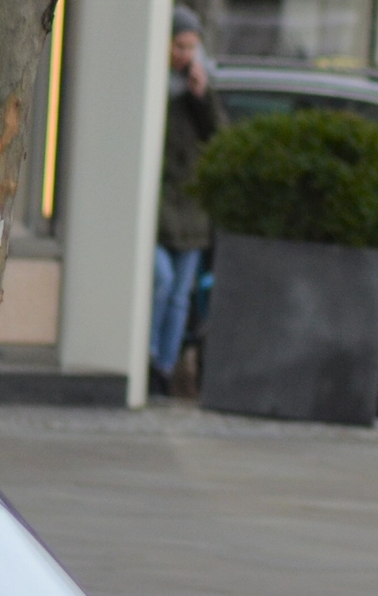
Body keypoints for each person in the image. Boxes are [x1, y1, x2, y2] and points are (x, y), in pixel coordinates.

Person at [150, 7, 224, 396]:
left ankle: (164, 366)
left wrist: (202, 96)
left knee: (181, 295)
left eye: (192, 48)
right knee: (160, 281)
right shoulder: (155, 85)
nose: (185, 55)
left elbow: (220, 137)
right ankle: (146, 357)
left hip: (192, 209)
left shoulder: (200, 90)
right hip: (162, 208)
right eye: (180, 46)